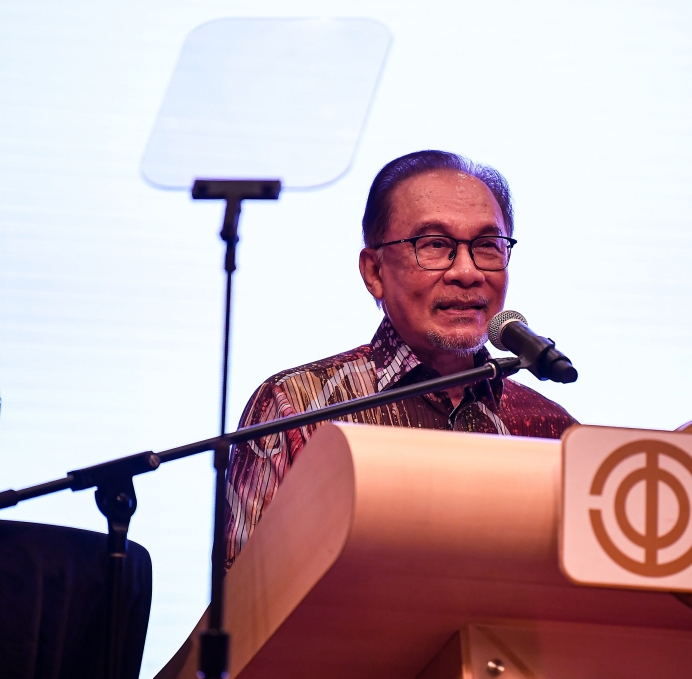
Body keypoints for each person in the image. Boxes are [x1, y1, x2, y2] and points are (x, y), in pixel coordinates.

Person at [224, 150, 576, 566]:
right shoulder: (297, 407)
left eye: (487, 246)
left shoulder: (549, 428)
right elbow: (244, 604)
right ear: (374, 271)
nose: (467, 271)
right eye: (434, 245)